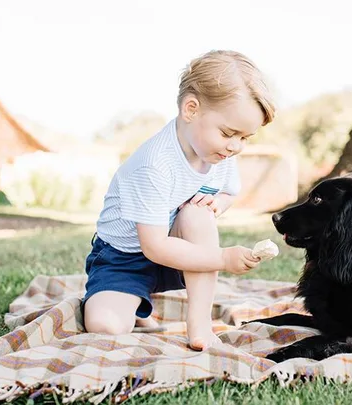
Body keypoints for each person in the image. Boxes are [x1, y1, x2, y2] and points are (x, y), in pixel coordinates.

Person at [82, 50, 276, 351]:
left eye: (245, 138)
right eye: (229, 133)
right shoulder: (154, 164)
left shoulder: (218, 152)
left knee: (198, 215)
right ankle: (131, 302)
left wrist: (216, 205)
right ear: (191, 109)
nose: (236, 146)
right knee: (105, 327)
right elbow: (154, 246)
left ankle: (199, 326)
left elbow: (227, 192)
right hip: (125, 257)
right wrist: (223, 258)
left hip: (178, 248)